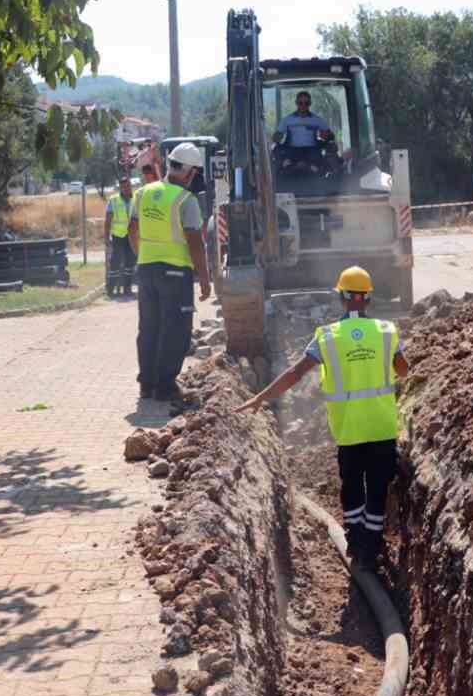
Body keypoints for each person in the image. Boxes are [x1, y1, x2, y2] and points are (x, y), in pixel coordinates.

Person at [233, 266, 408, 567]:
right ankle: (371, 544)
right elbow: (404, 369)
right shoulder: (386, 332)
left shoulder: (327, 337)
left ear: (342, 298)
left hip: (349, 430)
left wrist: (261, 397)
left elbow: (295, 373)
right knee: (377, 488)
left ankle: (355, 541)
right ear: (367, 298)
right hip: (382, 427)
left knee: (353, 485)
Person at [130, 142, 212, 409]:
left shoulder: (142, 193)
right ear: (189, 172)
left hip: (146, 268)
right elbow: (195, 241)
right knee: (176, 329)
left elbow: (132, 230)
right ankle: (165, 386)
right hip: (176, 272)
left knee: (149, 326)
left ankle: (147, 385)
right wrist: (204, 276)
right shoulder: (186, 201)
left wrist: (143, 255)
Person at [104, 177, 136, 298]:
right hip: (118, 236)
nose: (126, 189)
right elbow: (107, 221)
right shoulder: (114, 200)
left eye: (128, 186)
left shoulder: (135, 199)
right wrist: (106, 238)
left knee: (129, 263)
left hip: (132, 237)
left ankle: (127, 290)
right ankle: (111, 290)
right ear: (120, 188)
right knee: (115, 264)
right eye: (124, 187)